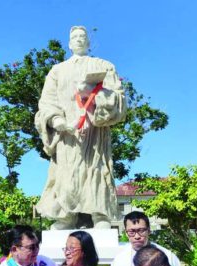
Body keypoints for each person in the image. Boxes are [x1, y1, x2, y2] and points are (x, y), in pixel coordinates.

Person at [34, 25, 127, 229]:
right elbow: (46, 102)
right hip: (67, 134)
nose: (78, 39)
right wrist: (57, 121)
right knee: (66, 173)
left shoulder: (103, 66)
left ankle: (100, 215)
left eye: (82, 37)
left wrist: (92, 94)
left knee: (97, 169)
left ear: (88, 42)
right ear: (69, 43)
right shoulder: (57, 71)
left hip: (95, 132)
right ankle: (66, 216)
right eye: (74, 37)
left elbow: (119, 99)